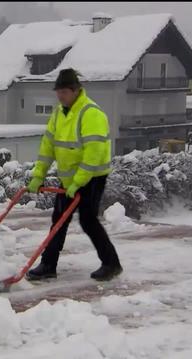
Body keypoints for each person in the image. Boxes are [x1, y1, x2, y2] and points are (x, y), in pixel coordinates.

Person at [25, 68, 122, 282]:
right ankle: (48, 264)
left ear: (76, 90)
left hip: (92, 177)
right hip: (69, 180)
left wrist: (79, 181)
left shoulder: (91, 113)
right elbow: (48, 145)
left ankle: (111, 263)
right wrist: (38, 175)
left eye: (64, 92)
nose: (60, 96)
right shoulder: (59, 113)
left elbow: (93, 153)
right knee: (58, 220)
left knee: (88, 220)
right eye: (58, 92)